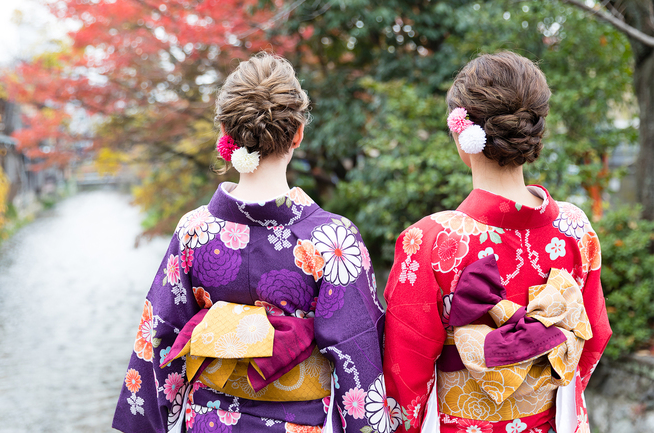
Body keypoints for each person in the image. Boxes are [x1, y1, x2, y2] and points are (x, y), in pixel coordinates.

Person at [113, 53, 389, 433]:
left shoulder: (194, 230)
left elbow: (158, 338)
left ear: (226, 132)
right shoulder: (333, 239)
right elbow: (358, 353)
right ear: (298, 133)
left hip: (209, 423)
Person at [383, 51, 612, 433]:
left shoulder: (430, 239)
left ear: (463, 134)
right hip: (554, 422)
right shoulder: (575, 227)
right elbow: (594, 335)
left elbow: (404, 371)